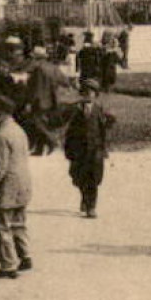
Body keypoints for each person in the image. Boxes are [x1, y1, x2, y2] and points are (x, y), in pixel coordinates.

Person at [0, 93, 33, 279]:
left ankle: (8, 265)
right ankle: (25, 256)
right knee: (19, 222)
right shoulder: (19, 130)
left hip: (7, 186)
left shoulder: (1, 135)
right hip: (23, 182)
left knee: (0, 225)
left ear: (0, 112)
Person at [62, 79, 115, 218]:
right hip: (79, 150)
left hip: (94, 150)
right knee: (78, 177)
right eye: (86, 92)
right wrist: (68, 148)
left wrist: (104, 147)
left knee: (93, 178)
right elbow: (70, 131)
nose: (88, 95)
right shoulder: (76, 110)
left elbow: (104, 130)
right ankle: (84, 197)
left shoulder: (99, 110)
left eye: (92, 92)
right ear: (82, 93)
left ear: (95, 95)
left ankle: (91, 206)